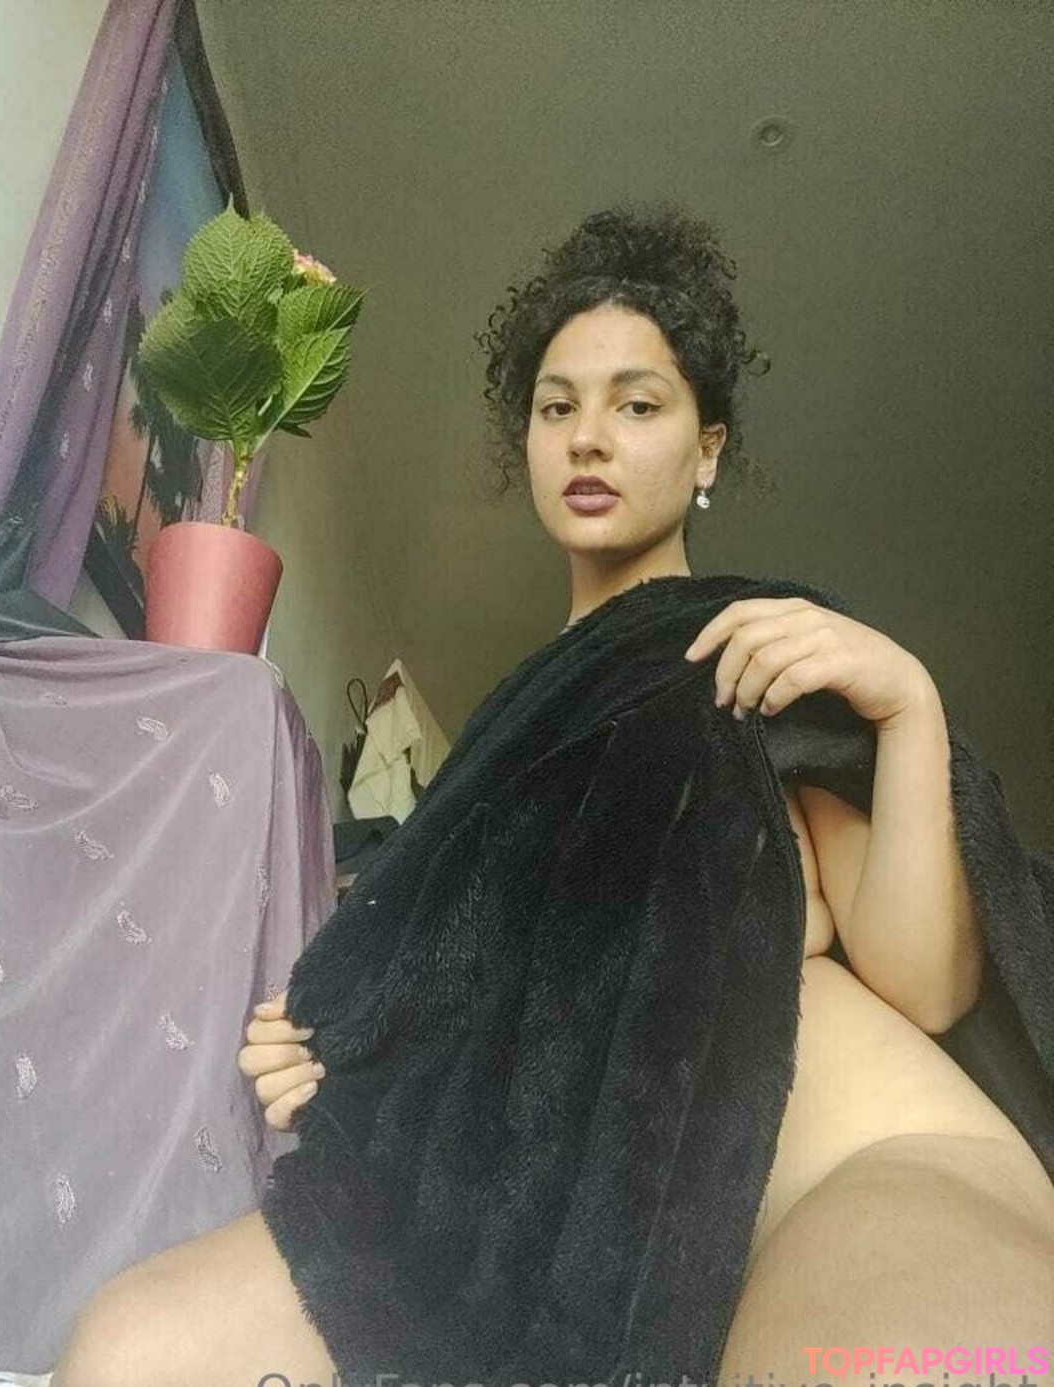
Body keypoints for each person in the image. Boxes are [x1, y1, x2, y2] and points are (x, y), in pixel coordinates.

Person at [52, 204, 1054, 1387]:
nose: (588, 438)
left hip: (845, 1169)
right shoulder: (498, 754)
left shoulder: (749, 647)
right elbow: (471, 1037)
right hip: (547, 1244)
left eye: (638, 405)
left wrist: (908, 708)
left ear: (707, 450)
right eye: (556, 407)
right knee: (130, 1350)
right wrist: (331, 1041)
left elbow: (930, 984)